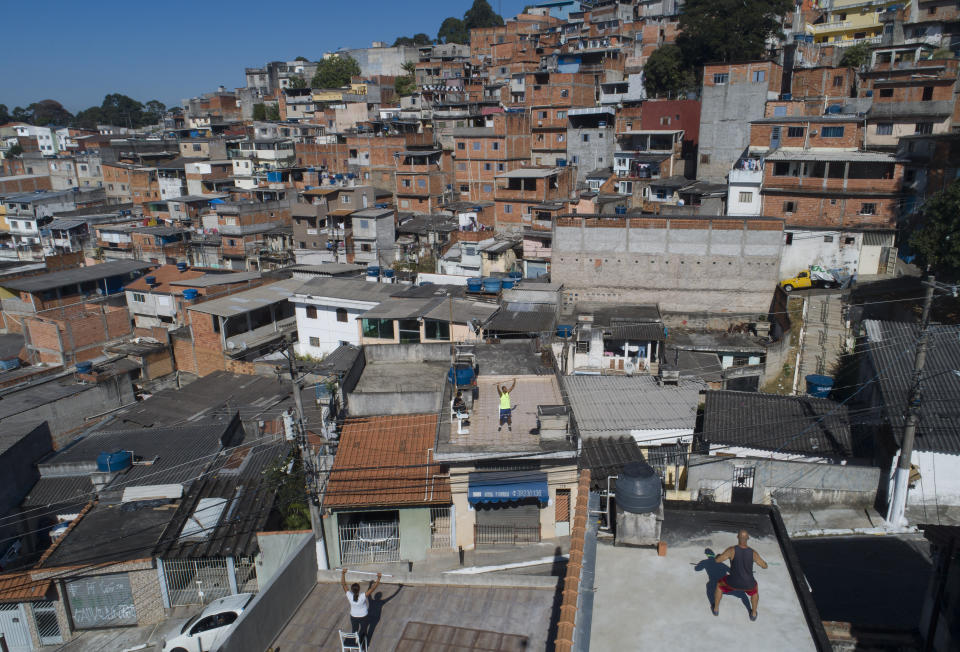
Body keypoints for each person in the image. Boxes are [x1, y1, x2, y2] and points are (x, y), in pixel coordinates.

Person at [712, 529, 768, 621]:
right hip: (748, 584)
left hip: (732, 582)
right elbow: (764, 566)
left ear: (737, 537)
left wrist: (717, 556)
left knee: (719, 585)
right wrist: (765, 563)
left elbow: (718, 560)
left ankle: (716, 609)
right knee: (755, 591)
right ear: (748, 538)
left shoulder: (731, 550)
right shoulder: (753, 553)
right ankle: (753, 614)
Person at [341, 568, 381, 644]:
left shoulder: (349, 595)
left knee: (354, 630)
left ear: (352, 590)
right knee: (363, 630)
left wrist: (343, 573)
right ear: (359, 589)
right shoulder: (363, 596)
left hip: (353, 616)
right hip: (363, 616)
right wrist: (378, 578)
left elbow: (343, 584)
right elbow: (373, 588)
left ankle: (354, 643)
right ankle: (362, 644)